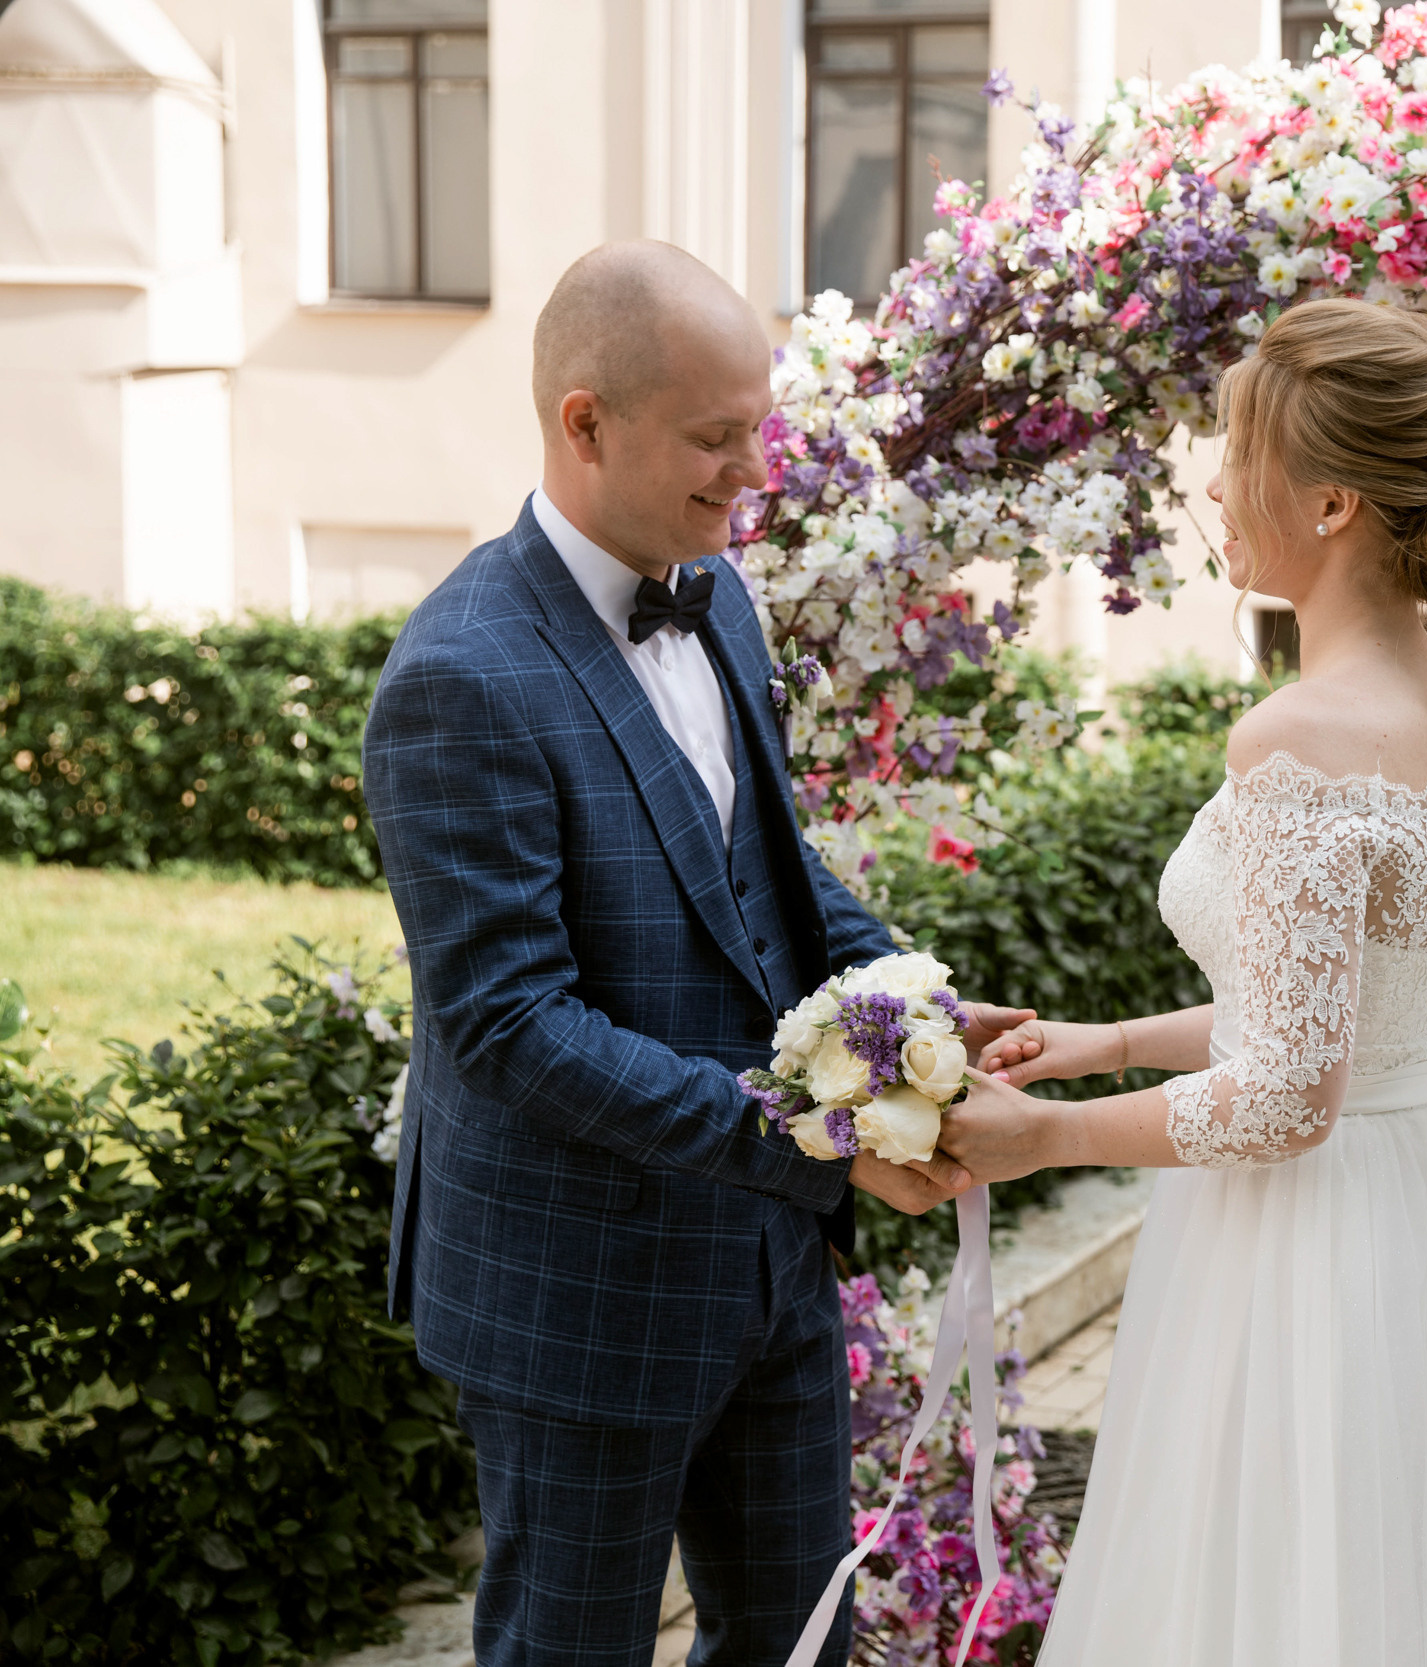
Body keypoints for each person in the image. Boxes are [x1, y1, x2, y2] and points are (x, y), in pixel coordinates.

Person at [942, 298, 1427, 1664]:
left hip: (1317, 1257)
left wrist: (1048, 1141)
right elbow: (1365, 1012)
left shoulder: (1305, 736)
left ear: (1326, 505)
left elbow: (1284, 1097)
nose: (1210, 482)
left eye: (1235, 450)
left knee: (1288, 1595)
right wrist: (1102, 1041)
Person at [362, 240, 1021, 1667]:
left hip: (768, 1272)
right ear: (584, 422)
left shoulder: (720, 597)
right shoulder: (459, 677)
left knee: (800, 1644)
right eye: (717, 439)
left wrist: (920, 1013)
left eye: (760, 433)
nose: (751, 474)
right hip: (575, 1288)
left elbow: (773, 884)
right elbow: (509, 1026)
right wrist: (819, 1142)